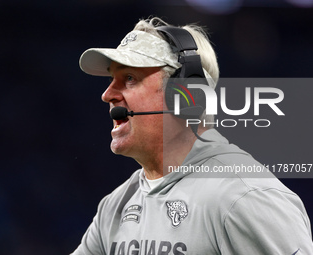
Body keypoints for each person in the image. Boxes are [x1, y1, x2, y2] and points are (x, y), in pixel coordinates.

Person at [71, 17, 313, 254]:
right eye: (113, 79)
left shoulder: (245, 198)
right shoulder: (115, 207)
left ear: (186, 96)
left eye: (130, 78)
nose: (107, 94)